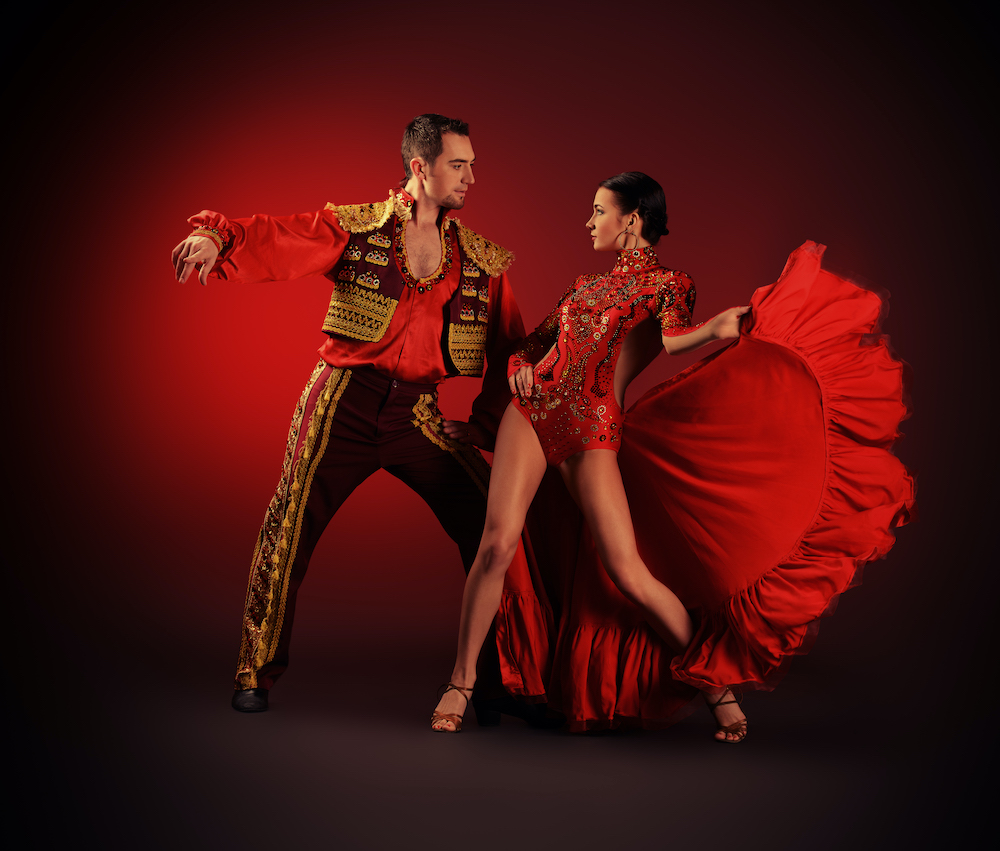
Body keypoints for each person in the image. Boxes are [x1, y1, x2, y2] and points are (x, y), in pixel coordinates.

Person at [430, 172, 914, 740]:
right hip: (532, 417)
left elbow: (673, 339)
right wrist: (519, 373)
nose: (589, 223)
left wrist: (714, 329)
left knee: (629, 571)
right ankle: (460, 683)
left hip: (594, 428)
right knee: (497, 543)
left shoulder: (668, 284)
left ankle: (717, 686)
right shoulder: (583, 286)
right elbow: (532, 346)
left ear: (632, 218)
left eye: (598, 211)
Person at [171, 114, 527, 713]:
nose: (471, 176)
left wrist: (488, 425)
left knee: (496, 526)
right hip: (341, 402)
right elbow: (282, 237)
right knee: (290, 526)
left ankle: (499, 675)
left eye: (471, 164)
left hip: (417, 415)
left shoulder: (481, 261)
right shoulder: (358, 228)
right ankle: (253, 672)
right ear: (421, 167)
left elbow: (509, 348)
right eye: (458, 164)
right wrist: (220, 237)